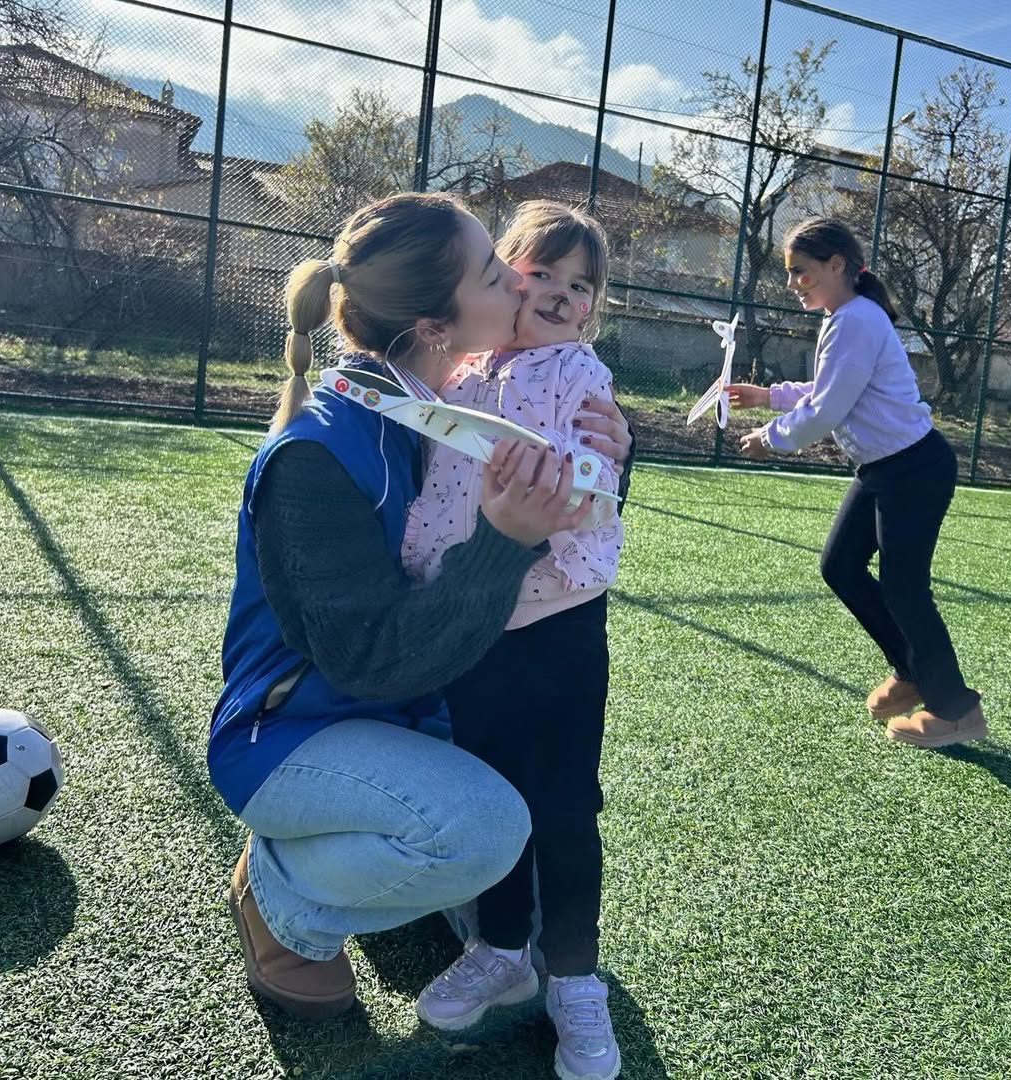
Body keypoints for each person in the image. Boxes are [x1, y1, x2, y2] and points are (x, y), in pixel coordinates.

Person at [206, 192, 633, 1023]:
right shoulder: (318, 453)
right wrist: (505, 540)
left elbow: (563, 496)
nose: (522, 283)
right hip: (299, 731)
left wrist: (612, 448)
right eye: (496, 272)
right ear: (439, 324)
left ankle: (373, 833)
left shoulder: (451, 401)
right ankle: (280, 891)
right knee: (485, 834)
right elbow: (370, 661)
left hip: (415, 711)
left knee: (527, 909)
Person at [403, 201, 624, 1080]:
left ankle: (574, 977)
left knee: (564, 803)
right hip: (474, 618)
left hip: (560, 613)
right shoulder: (459, 367)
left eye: (582, 285)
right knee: (493, 792)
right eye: (543, 273)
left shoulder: (579, 370)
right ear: (501, 275)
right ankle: (500, 949)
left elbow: (597, 473)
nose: (564, 295)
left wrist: (568, 491)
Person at [731, 216, 984, 749]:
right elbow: (831, 388)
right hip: (884, 469)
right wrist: (768, 396)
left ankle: (957, 710)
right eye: (789, 272)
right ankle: (912, 669)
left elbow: (827, 410)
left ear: (836, 265)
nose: (793, 282)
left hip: (913, 468)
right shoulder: (845, 317)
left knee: (904, 588)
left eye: (800, 271)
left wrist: (770, 438)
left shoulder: (857, 320)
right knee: (840, 565)